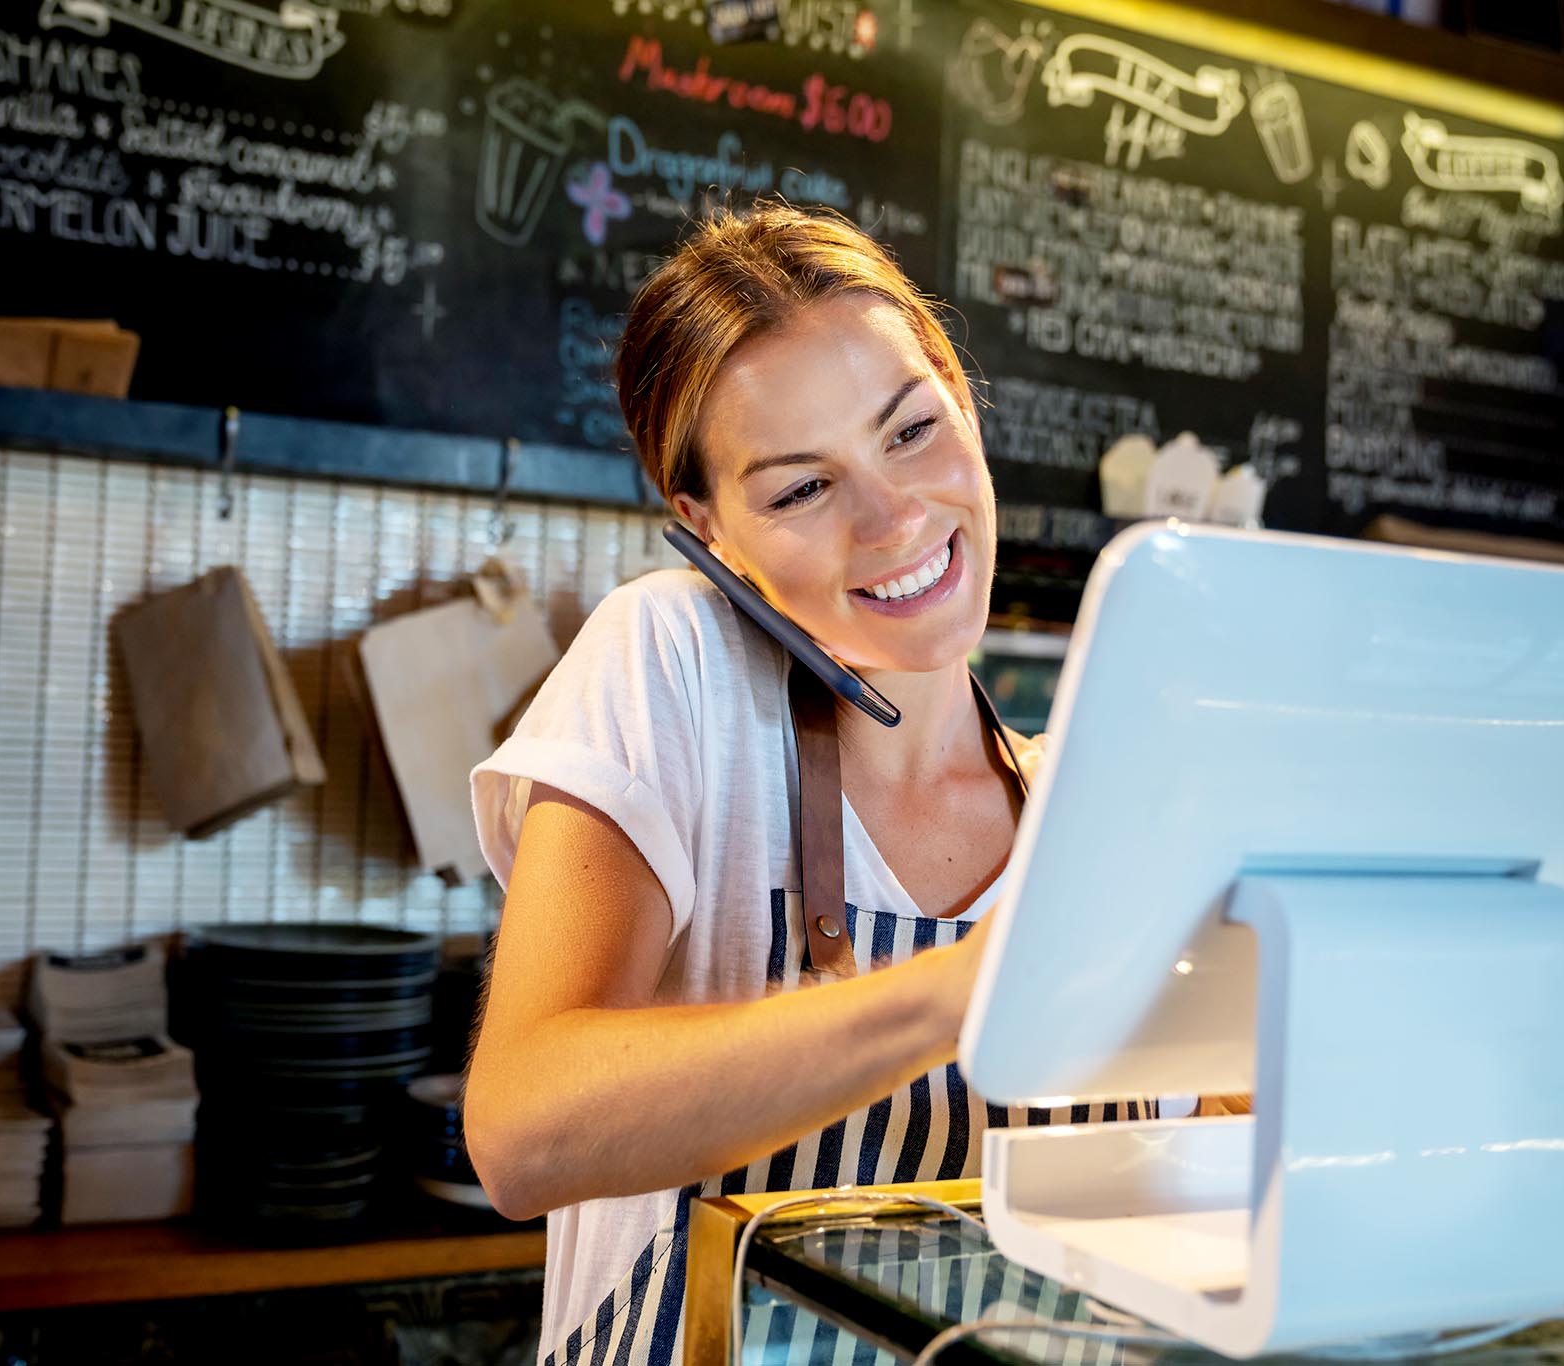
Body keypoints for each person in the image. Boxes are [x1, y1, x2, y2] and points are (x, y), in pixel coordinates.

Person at [466, 203, 1151, 1366]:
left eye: (909, 431)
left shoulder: (1104, 809)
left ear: (963, 402)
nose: (893, 517)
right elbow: (523, 1133)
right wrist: (961, 992)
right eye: (798, 490)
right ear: (709, 531)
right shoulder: (671, 663)